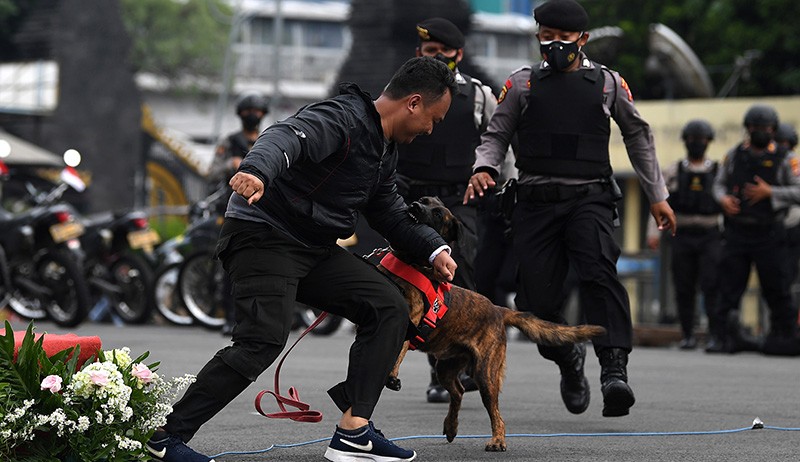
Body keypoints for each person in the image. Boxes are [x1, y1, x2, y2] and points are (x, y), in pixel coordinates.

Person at [146, 56, 459, 462]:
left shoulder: (385, 152)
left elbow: (390, 213)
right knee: (262, 341)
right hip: (264, 236)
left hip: (313, 248)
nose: (431, 129)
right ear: (413, 103)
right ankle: (165, 439)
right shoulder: (341, 117)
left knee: (387, 307)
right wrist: (257, 170)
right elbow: (285, 137)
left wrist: (434, 248)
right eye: (434, 118)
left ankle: (354, 431)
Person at [464, 0, 676, 419]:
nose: (555, 45)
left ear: (583, 39)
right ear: (538, 36)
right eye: (547, 37)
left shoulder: (607, 83)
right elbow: (496, 134)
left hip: (589, 199)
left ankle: (614, 370)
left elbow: (637, 135)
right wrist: (484, 167)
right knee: (534, 302)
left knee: (599, 272)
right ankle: (568, 360)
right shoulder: (521, 85)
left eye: (564, 38)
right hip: (536, 204)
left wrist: (657, 194)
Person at [396, 17, 496, 403]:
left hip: (459, 202)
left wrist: (494, 179)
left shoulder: (480, 96)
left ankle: (460, 363)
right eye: (428, 52)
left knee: (459, 276)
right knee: (416, 282)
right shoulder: (404, 94)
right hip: (414, 200)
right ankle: (439, 371)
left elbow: (497, 143)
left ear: (459, 55)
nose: (435, 58)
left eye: (442, 53)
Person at [712, 106, 800, 355]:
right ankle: (721, 338)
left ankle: (785, 338)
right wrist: (723, 200)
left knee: (778, 288)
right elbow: (718, 184)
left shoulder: (786, 158)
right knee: (728, 288)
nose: (759, 132)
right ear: (748, 129)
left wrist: (771, 192)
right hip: (737, 232)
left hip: (770, 233)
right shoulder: (734, 154)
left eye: (765, 128)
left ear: (773, 130)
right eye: (755, 128)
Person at [646, 120, 722, 351]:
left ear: (708, 142)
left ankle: (714, 335)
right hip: (682, 233)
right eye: (692, 139)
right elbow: (659, 201)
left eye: (701, 139)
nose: (696, 143)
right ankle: (687, 334)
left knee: (712, 285)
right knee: (683, 286)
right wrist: (654, 233)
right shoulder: (674, 170)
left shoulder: (718, 171)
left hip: (711, 234)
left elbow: (727, 204)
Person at [207, 91, 270, 336]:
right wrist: (230, 165)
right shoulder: (230, 141)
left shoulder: (269, 140)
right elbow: (211, 172)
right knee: (230, 264)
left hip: (264, 208)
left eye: (257, 112)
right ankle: (229, 317)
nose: (252, 116)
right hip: (231, 209)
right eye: (248, 112)